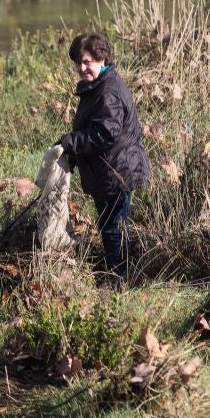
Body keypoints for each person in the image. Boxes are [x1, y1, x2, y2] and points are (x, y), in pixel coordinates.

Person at [57, 32, 150, 281]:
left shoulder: (107, 91)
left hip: (115, 172)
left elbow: (104, 135)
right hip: (111, 170)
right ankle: (129, 271)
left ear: (102, 58)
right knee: (115, 226)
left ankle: (117, 280)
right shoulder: (100, 85)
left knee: (112, 230)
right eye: (78, 62)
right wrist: (73, 149)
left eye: (87, 61)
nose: (81, 67)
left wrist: (71, 142)